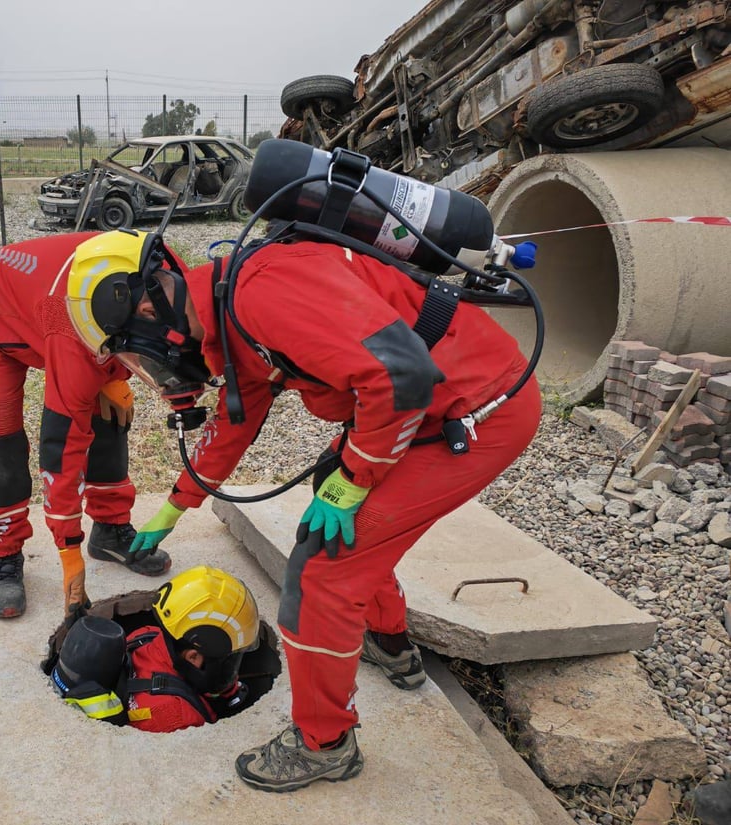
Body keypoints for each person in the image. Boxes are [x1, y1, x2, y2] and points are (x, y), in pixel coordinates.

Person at [66, 228, 541, 792]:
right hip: (431, 408)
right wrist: (175, 506)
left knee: (319, 575)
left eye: (134, 350)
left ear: (145, 307)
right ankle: (389, 643)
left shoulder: (262, 294)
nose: (153, 369)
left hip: (473, 411)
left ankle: (324, 745)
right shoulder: (229, 309)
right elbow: (234, 421)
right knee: (335, 520)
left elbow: (401, 376)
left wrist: (357, 477)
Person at [0, 231, 176, 621]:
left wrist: (115, 376)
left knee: (110, 410)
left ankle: (109, 529)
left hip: (57, 307)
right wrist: (68, 550)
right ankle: (5, 553)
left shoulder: (171, 273)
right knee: (1, 438)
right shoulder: (71, 332)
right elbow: (60, 446)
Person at [49, 565, 261, 732]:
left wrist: (226, 689)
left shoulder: (147, 634)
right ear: (193, 656)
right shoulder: (176, 715)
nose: (233, 669)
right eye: (232, 659)